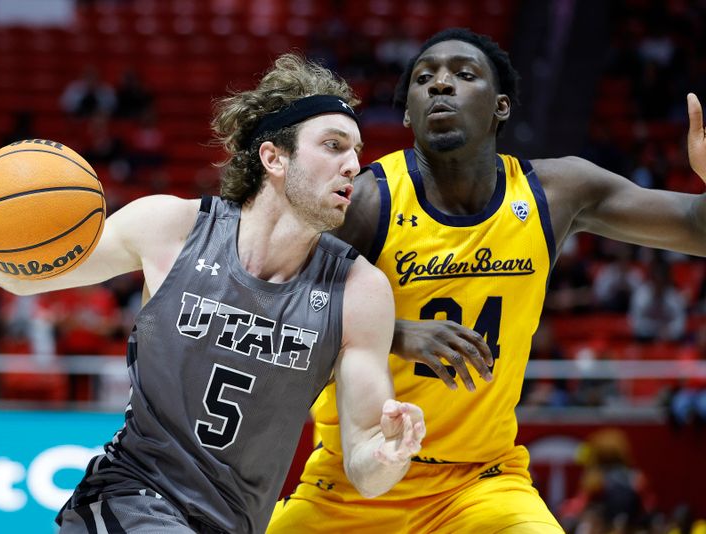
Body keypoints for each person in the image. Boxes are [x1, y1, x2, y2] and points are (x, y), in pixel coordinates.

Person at [0, 55, 426, 533]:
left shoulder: (359, 292)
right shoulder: (170, 228)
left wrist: (388, 455)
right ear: (273, 157)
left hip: (231, 521)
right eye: (333, 146)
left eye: (356, 150)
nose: (353, 166)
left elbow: (366, 467)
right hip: (129, 494)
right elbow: (26, 276)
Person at [268, 28, 706, 532]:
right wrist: (396, 333)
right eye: (424, 78)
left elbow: (695, 226)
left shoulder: (556, 192)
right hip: (354, 479)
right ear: (408, 112)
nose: (440, 84)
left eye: (464, 74)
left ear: (500, 106)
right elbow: (278, 312)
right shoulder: (367, 201)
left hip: (481, 481)